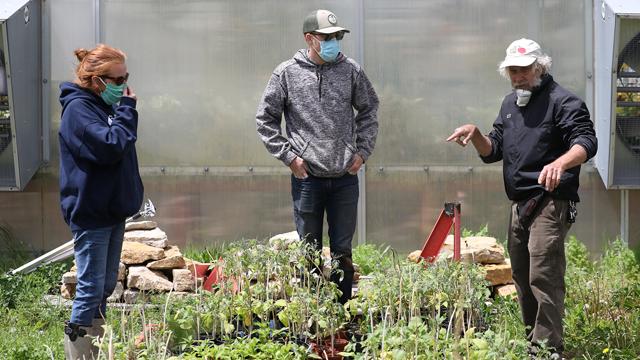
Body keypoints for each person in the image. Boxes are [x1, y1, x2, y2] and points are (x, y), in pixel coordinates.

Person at [446, 38, 597, 358]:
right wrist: (476, 135)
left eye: (524, 70)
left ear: (540, 67)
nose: (518, 77)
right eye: (512, 71)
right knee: (522, 274)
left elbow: (586, 141)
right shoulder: (509, 104)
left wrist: (560, 162)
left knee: (544, 272)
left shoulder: (563, 101)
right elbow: (494, 150)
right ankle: (535, 343)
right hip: (520, 204)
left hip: (553, 199)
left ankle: (548, 349)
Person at [256, 9, 379, 304]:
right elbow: (265, 119)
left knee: (342, 250)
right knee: (309, 251)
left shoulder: (351, 71)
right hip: (307, 178)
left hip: (344, 177)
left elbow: (369, 110)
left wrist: (362, 151)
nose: (334, 41)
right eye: (327, 37)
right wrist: (289, 157)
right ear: (309, 39)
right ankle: (312, 316)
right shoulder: (287, 73)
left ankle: (341, 313)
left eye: (337, 36)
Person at [58, 44, 143, 359]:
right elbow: (110, 147)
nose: (123, 86)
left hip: (110, 211)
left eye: (126, 78)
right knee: (90, 288)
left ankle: (93, 351)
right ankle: (78, 354)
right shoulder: (78, 111)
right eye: (117, 80)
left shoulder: (103, 106)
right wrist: (127, 110)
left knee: (105, 285)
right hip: (92, 213)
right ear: (96, 80)